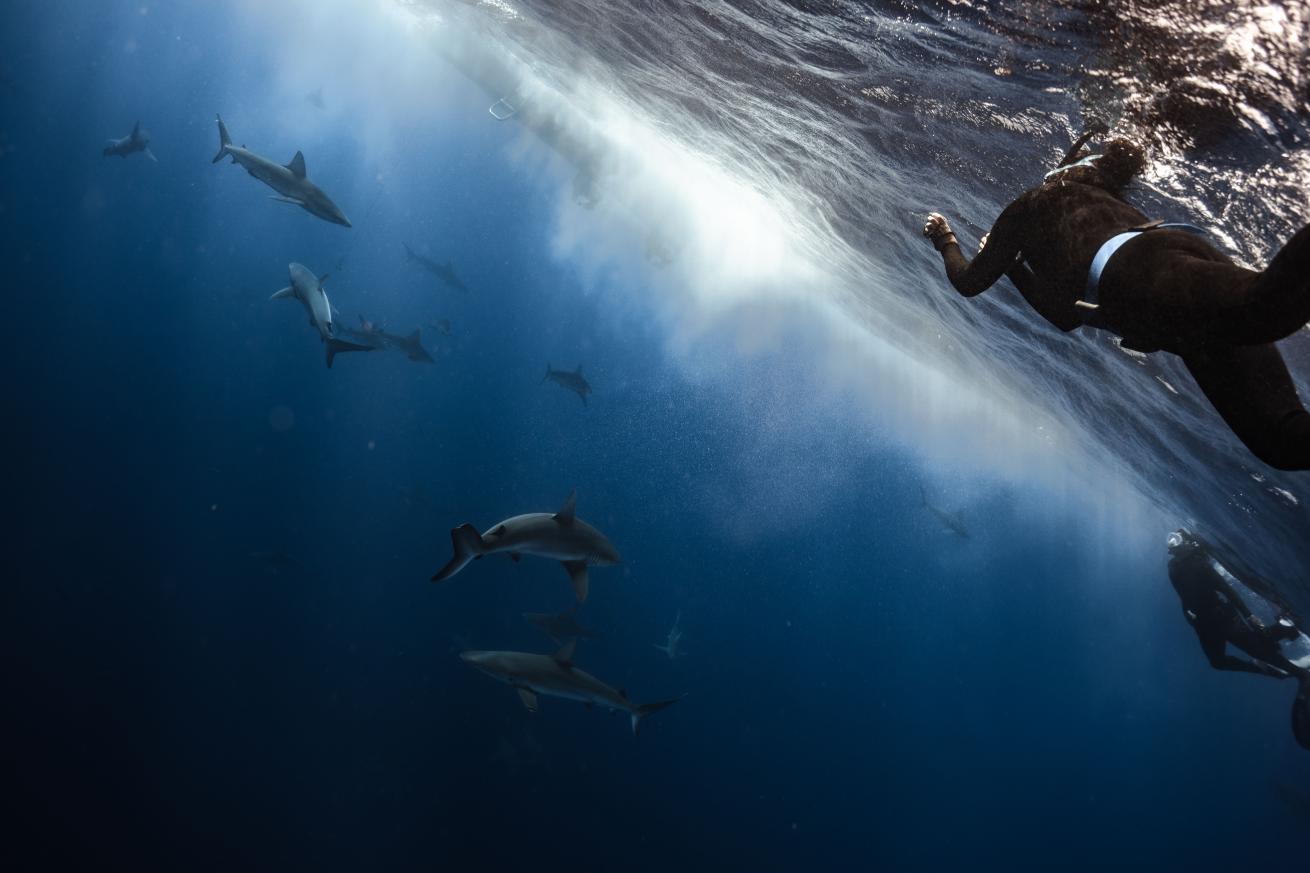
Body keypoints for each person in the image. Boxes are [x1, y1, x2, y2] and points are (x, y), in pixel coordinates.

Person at [921, 132, 1310, 470]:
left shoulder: (1026, 209)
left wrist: (947, 241)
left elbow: (970, 284)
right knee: (1281, 442)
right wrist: (1015, 267)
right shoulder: (1096, 186)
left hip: (1143, 278)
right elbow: (1067, 318)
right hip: (1167, 286)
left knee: (1265, 311)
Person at [1166, 528, 1310, 750]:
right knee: (1218, 662)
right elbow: (1183, 597)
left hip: (1224, 619)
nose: (1171, 540)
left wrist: (1249, 615)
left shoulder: (1199, 564)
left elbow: (1227, 591)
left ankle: (1296, 666)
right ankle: (1276, 655)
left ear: (1187, 543)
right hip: (1204, 625)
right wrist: (1188, 615)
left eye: (1177, 537)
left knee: (1264, 649)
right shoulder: (1173, 567)